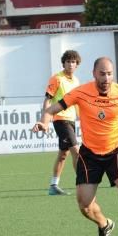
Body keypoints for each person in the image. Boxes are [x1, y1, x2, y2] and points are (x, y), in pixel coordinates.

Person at [32, 57, 118, 236]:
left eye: (109, 74)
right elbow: (53, 108)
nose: (106, 78)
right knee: (84, 206)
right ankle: (104, 224)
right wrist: (44, 122)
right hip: (89, 154)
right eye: (102, 74)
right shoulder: (81, 92)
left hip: (116, 151)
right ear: (94, 74)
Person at [42, 50, 82, 195]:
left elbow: (77, 102)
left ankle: (53, 186)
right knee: (76, 151)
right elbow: (48, 100)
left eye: (73, 62)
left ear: (77, 65)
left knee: (63, 154)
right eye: (68, 62)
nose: (70, 64)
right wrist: (44, 121)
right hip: (60, 119)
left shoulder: (76, 81)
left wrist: (82, 118)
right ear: (63, 63)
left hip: (71, 120)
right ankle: (83, 183)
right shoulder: (56, 79)